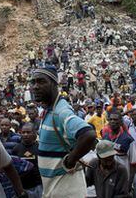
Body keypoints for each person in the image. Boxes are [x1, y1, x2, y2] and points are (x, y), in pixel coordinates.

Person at [31, 66, 96, 197]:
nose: (35, 87)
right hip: (54, 191)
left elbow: (89, 135)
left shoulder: (61, 112)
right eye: (33, 82)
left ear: (54, 84)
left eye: (41, 82)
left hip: (66, 191)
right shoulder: (50, 110)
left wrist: (70, 160)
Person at [12, 123, 43, 197]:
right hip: (22, 187)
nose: (25, 135)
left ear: (34, 133)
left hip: (37, 186)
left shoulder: (39, 148)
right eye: (23, 132)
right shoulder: (16, 149)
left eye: (28, 132)